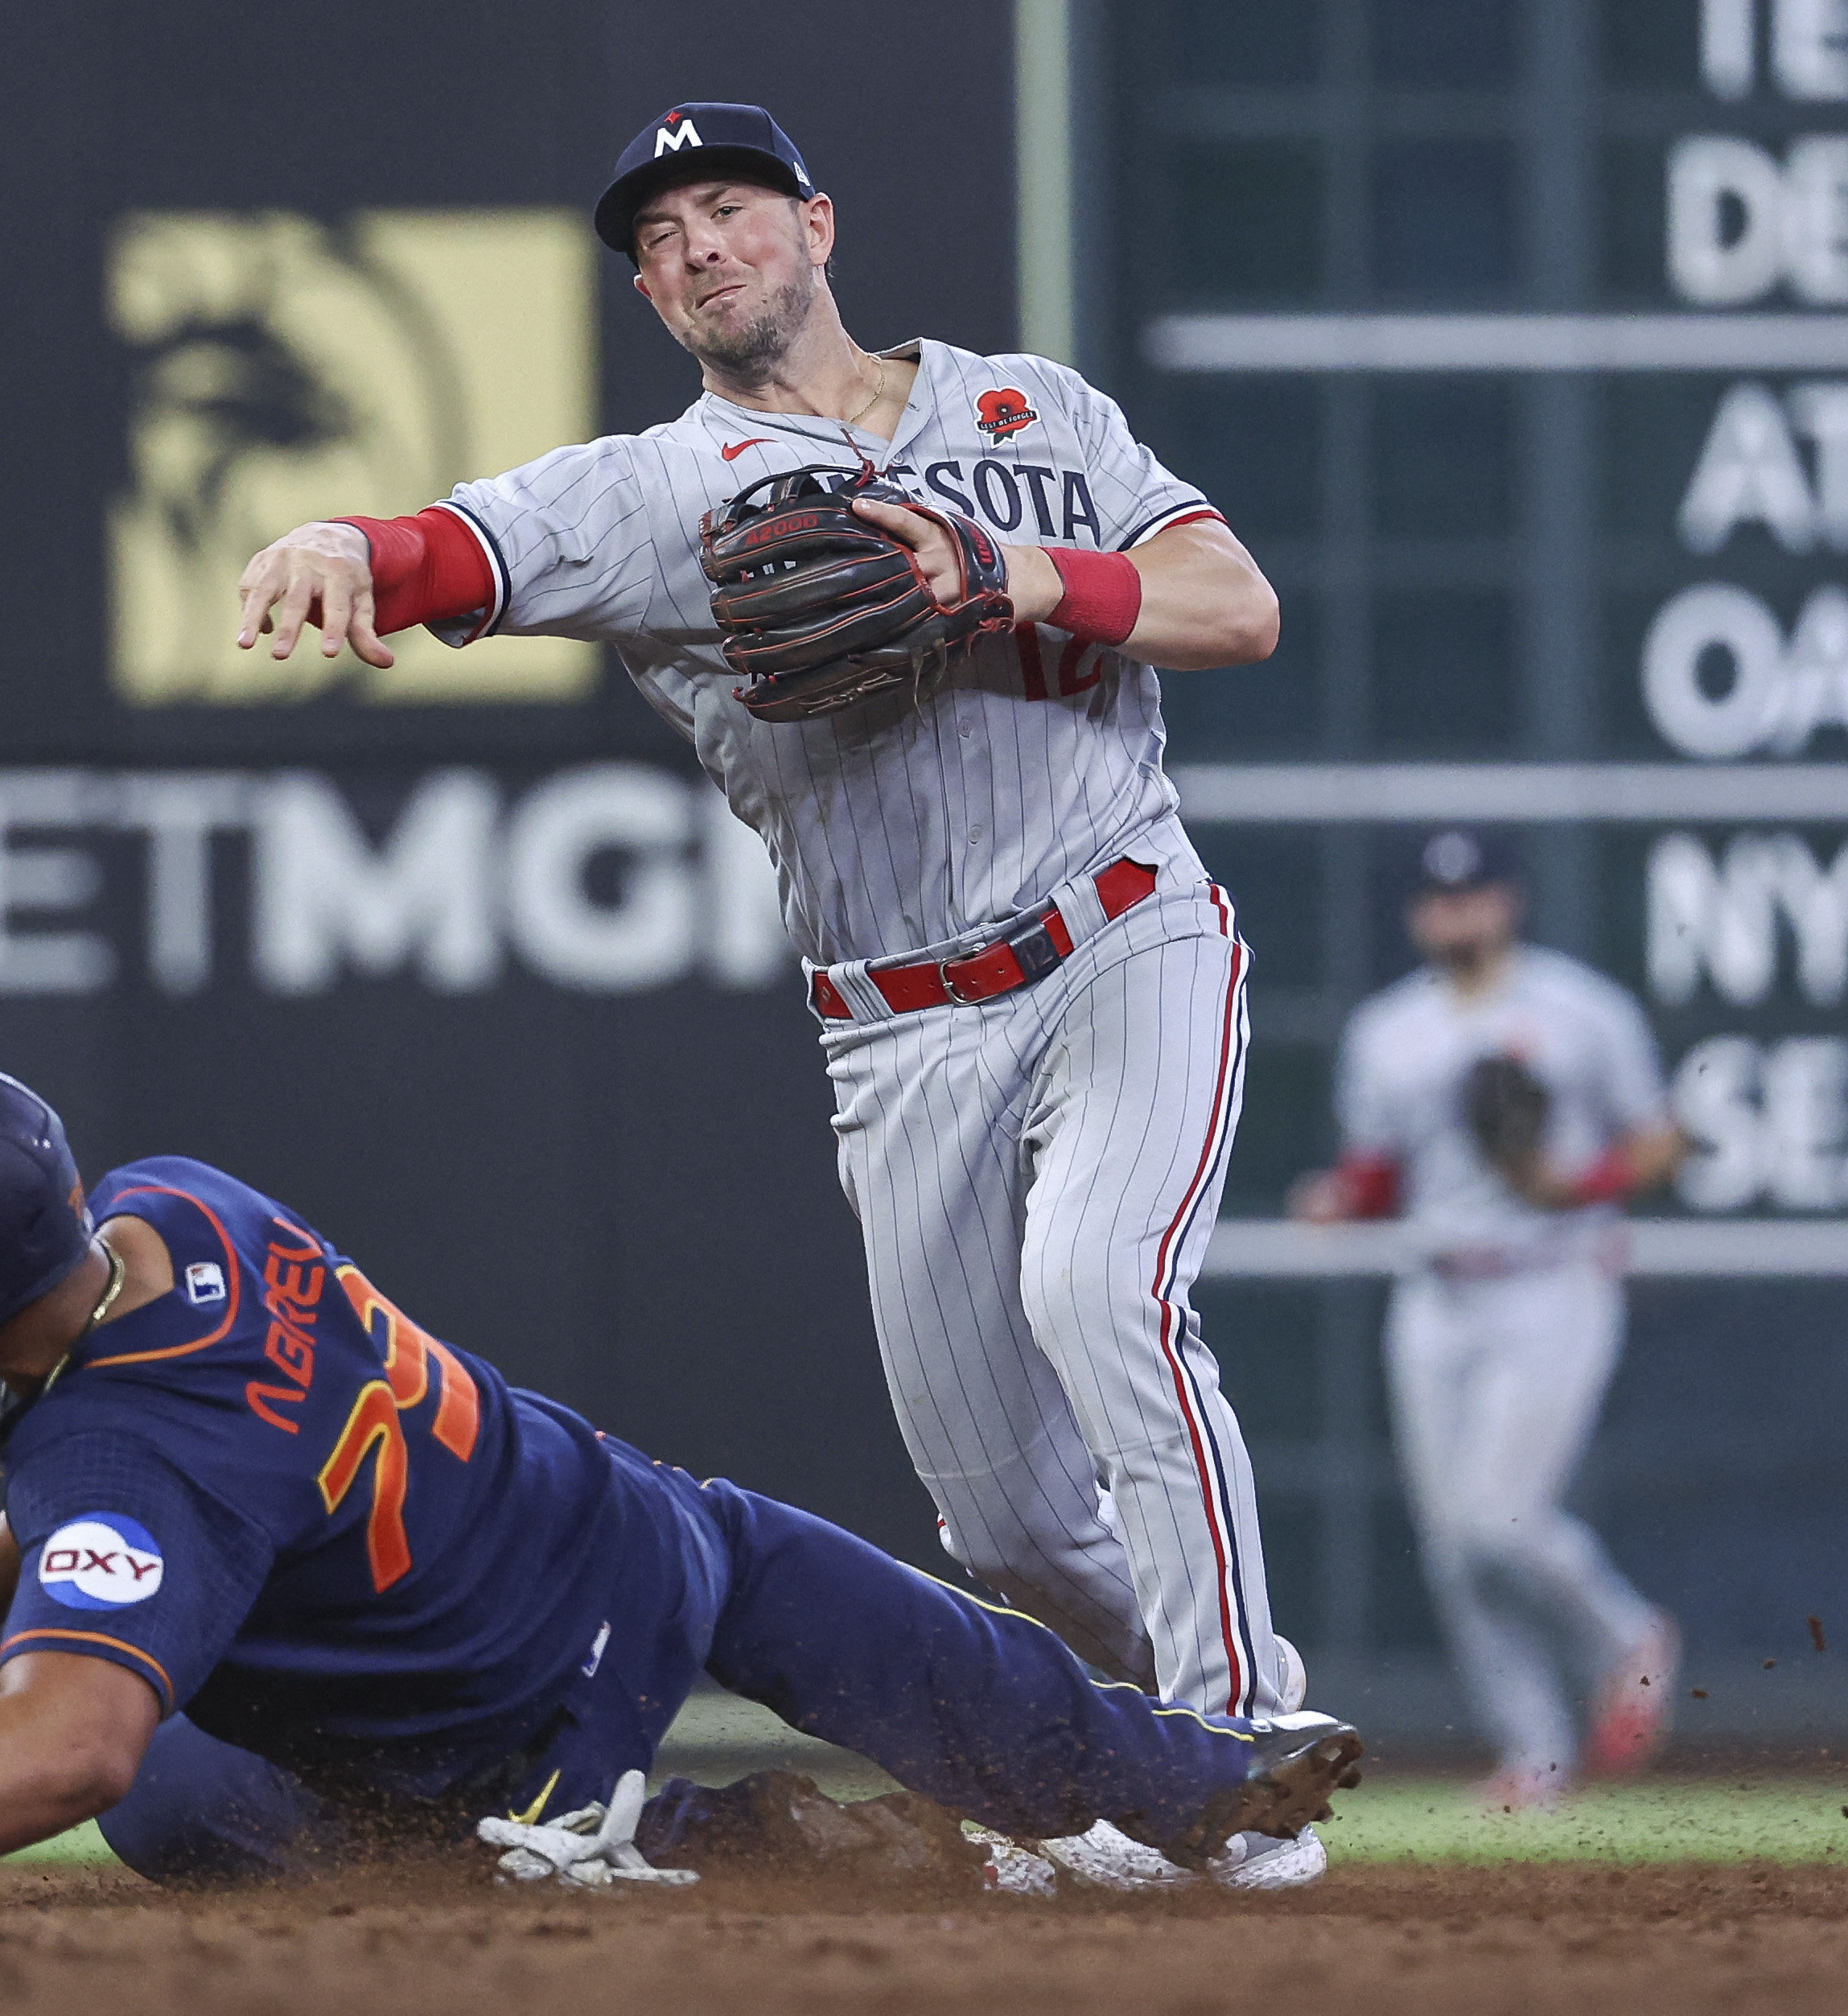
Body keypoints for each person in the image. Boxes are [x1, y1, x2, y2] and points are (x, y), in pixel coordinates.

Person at [231, 100, 1307, 1891]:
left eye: (723, 208)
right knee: (1004, 1512)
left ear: (814, 222)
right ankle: (1135, 1762)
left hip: (1128, 929)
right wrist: (352, 542)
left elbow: (1235, 603)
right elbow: (459, 545)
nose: (694, 251)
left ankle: (1237, 1752)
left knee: (1098, 1283)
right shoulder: (660, 494)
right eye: (656, 242)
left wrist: (1006, 572)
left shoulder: (1033, 409)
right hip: (900, 1021)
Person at [0, 1060, 1362, 1899]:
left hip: (491, 1726)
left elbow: (71, 1731)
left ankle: (664, 1836)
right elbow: (109, 1474)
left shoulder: (127, 1456)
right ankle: (1193, 1781)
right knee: (905, 1642)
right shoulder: (169, 1205)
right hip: (641, 1532)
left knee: (165, 1799)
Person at [1291, 832, 1688, 1811]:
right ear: (1418, 914)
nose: (1456, 915)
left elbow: (1662, 1142)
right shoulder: (1390, 1030)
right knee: (1453, 1546)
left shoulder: (1579, 1010)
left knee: (1496, 1519)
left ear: (1506, 902)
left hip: (1551, 1282)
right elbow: (1383, 1167)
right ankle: (1536, 1756)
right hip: (1437, 1290)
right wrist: (1345, 1197)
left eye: (1472, 898)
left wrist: (1575, 1183)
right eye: (1438, 900)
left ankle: (1626, 1636)